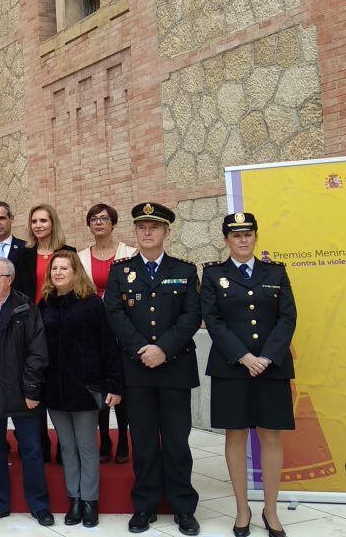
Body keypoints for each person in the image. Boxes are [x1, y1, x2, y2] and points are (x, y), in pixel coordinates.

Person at [104, 203, 201, 535]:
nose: (147, 232)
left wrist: (163, 349)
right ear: (135, 232)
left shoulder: (185, 270)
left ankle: (183, 507)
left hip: (174, 368)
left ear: (166, 232)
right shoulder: (121, 270)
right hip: (137, 368)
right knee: (143, 442)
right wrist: (142, 350)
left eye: (154, 227)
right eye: (142, 227)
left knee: (177, 442)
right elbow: (115, 314)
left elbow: (192, 316)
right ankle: (144, 505)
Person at [201, 213, 296, 537]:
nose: (243, 240)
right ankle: (242, 509)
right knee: (235, 436)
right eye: (236, 235)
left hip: (272, 366)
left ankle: (271, 510)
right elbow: (212, 319)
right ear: (226, 239)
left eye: (248, 234)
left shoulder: (276, 272)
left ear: (256, 237)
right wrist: (243, 356)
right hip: (232, 367)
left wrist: (267, 356)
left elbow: (287, 318)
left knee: (271, 435)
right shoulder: (214, 275)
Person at [39, 250, 123, 528]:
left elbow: (109, 346)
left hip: (86, 387)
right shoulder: (45, 304)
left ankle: (90, 500)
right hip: (55, 388)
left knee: (86, 445)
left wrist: (114, 383)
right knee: (67, 446)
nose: (59, 273)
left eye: (65, 268)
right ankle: (73, 498)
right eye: (55, 268)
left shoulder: (92, 304)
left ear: (76, 273)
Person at [0, 257, 53, 527]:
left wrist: (31, 390)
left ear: (10, 279)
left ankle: (39, 505)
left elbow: (37, 354)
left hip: (22, 392)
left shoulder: (26, 308)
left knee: (31, 449)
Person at [13, 203, 75, 462]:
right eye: (34, 221)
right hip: (32, 326)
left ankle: (65, 445)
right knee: (34, 384)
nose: (38, 226)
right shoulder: (24, 254)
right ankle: (40, 442)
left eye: (43, 221)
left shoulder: (68, 252)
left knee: (61, 384)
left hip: (60, 323)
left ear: (53, 223)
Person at [77, 204, 137, 465]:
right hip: (93, 328)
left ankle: (123, 437)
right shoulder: (80, 257)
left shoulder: (130, 254)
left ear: (113, 223)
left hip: (123, 327)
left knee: (120, 383)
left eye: (104, 218)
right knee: (98, 383)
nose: (98, 222)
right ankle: (105, 439)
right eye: (93, 219)